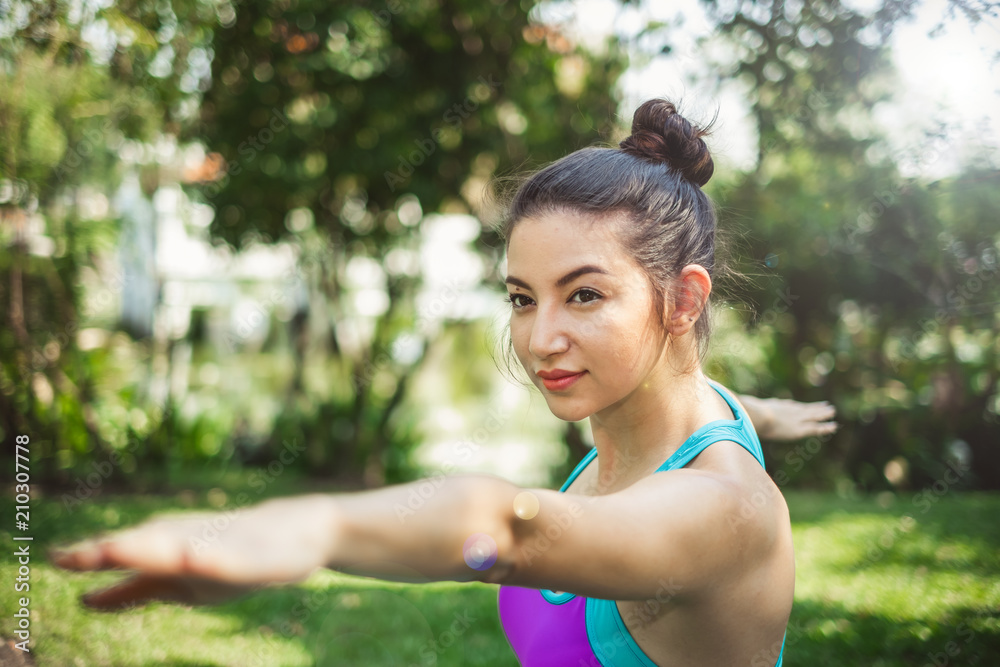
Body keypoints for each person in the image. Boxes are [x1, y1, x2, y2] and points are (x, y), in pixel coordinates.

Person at [51, 99, 834, 666]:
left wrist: (307, 529)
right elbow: (713, 399)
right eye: (523, 298)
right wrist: (769, 416)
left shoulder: (724, 511)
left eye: (584, 294)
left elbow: (507, 526)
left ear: (685, 300)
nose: (540, 338)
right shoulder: (667, 411)